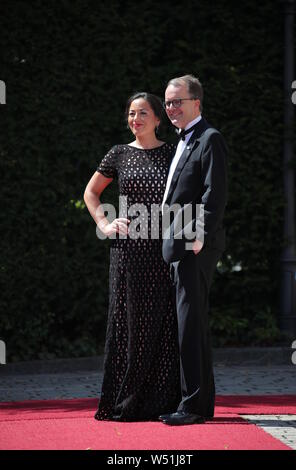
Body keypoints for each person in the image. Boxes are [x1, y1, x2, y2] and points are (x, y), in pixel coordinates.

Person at [83, 92, 181, 421]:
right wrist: (105, 224)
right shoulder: (118, 154)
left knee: (165, 322)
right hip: (128, 252)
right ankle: (124, 400)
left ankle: (161, 401)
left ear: (157, 119)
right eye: (130, 114)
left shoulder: (173, 153)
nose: (134, 119)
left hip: (164, 251)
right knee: (127, 324)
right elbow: (91, 192)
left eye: (142, 114)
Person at [159, 74, 228, 426]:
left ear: (196, 103)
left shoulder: (209, 138)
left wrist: (197, 240)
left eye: (177, 102)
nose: (171, 108)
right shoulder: (183, 141)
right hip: (179, 245)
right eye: (168, 102)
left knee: (190, 324)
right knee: (191, 324)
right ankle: (198, 403)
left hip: (194, 246)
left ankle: (192, 406)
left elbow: (213, 196)